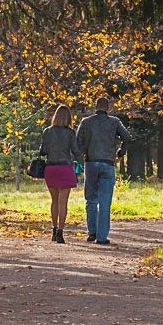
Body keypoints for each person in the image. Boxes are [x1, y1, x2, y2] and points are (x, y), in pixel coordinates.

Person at [75, 96, 131, 245]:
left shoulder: (86, 122)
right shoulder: (114, 122)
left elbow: (78, 142)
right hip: (108, 163)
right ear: (108, 108)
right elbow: (127, 137)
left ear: (95, 106)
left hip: (91, 163)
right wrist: (120, 152)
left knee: (91, 199)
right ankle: (101, 237)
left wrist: (82, 152)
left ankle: (92, 231)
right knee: (105, 202)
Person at [39, 104, 82, 244]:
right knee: (63, 202)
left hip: (51, 168)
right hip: (65, 167)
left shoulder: (47, 131)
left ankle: (54, 228)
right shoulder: (70, 133)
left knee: (54, 201)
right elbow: (76, 150)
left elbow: (43, 151)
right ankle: (60, 233)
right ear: (68, 118)